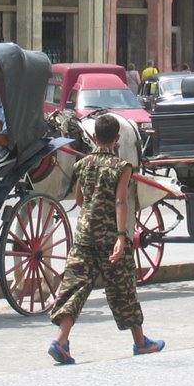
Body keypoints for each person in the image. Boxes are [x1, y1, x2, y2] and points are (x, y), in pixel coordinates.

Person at [47, 113, 164, 365]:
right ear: (118, 139)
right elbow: (121, 202)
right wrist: (122, 237)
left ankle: (61, 340)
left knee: (75, 285)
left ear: (95, 137)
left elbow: (79, 199)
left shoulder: (83, 164)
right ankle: (141, 342)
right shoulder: (122, 167)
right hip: (111, 235)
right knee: (123, 288)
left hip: (84, 234)